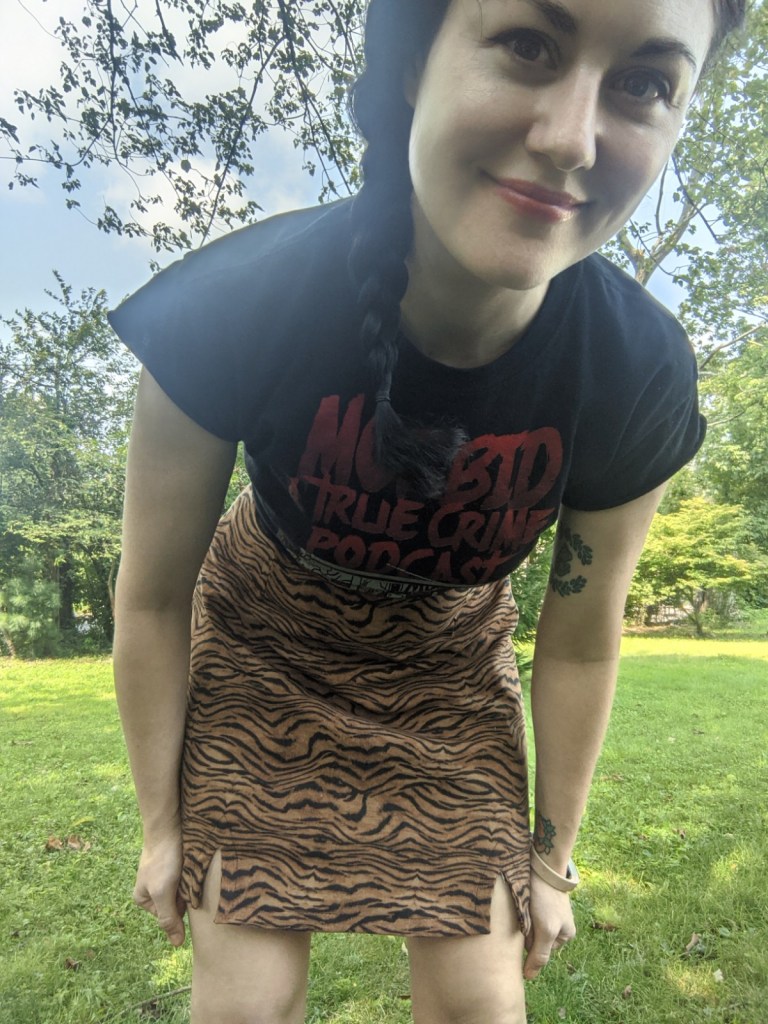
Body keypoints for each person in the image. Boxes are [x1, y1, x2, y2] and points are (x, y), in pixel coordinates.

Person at [110, 1, 746, 1021]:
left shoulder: (635, 370)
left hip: (449, 683)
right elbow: (150, 598)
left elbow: (581, 641)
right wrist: (160, 825)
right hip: (265, 657)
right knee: (246, 1004)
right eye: (529, 45)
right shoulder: (232, 303)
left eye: (642, 83)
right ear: (412, 61)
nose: (571, 139)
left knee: (480, 1005)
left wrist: (551, 860)